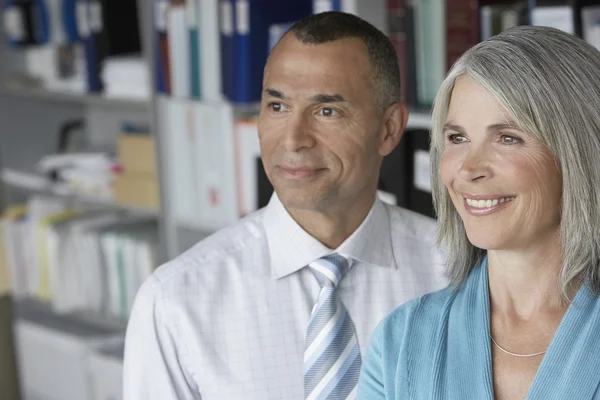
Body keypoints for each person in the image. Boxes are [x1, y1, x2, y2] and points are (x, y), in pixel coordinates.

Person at [123, 11, 447, 400]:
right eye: (277, 107)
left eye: (327, 111)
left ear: (389, 129)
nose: (293, 140)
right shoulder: (176, 300)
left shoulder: (460, 273)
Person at [357, 25, 600, 400]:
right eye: (457, 138)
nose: (468, 169)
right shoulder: (400, 341)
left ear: (579, 151)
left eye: (507, 138)